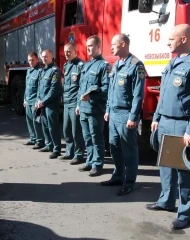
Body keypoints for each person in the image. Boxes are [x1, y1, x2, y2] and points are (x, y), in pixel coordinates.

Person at [145, 24, 190, 230]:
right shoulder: (173, 63)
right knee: (165, 165)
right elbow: (163, 93)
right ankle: (166, 201)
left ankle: (185, 213)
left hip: (181, 124)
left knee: (184, 171)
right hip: (164, 121)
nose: (167, 42)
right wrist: (156, 117)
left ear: (183, 39)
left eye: (171, 39)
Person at [101, 34, 145, 196]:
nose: (111, 47)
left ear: (124, 43)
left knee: (129, 151)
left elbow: (138, 95)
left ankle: (129, 182)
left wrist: (133, 117)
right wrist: (107, 110)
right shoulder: (116, 64)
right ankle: (118, 176)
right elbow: (111, 91)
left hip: (126, 115)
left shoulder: (136, 66)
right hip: (113, 114)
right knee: (114, 148)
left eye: (114, 44)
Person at [76, 35, 110, 177]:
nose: (88, 48)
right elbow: (81, 87)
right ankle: (90, 161)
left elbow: (106, 88)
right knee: (87, 137)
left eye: (91, 46)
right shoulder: (86, 65)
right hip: (83, 109)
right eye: (87, 46)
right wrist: (78, 104)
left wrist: (92, 97)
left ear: (98, 46)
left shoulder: (104, 66)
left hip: (95, 109)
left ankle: (97, 164)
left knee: (96, 137)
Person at [58, 42, 85, 164]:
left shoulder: (80, 65)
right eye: (65, 51)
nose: (66, 53)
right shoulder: (66, 65)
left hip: (75, 102)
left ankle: (79, 154)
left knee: (76, 131)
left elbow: (82, 87)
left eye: (69, 51)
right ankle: (69, 152)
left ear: (75, 51)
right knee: (66, 129)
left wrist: (79, 103)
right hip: (66, 102)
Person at [35, 49, 62, 159]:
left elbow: (53, 90)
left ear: (52, 57)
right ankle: (49, 144)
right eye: (43, 56)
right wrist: (38, 100)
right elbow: (39, 87)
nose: (44, 58)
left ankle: (56, 149)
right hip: (42, 103)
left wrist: (43, 101)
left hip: (51, 104)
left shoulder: (55, 71)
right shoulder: (42, 71)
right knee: (45, 125)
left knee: (53, 126)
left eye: (46, 56)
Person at [23, 52, 45, 149]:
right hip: (28, 100)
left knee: (37, 122)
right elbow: (27, 87)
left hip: (34, 101)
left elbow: (40, 88)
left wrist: (37, 100)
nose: (30, 62)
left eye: (32, 60)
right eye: (29, 60)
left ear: (37, 59)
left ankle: (40, 141)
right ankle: (32, 138)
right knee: (29, 121)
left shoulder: (40, 71)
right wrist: (24, 99)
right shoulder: (29, 71)